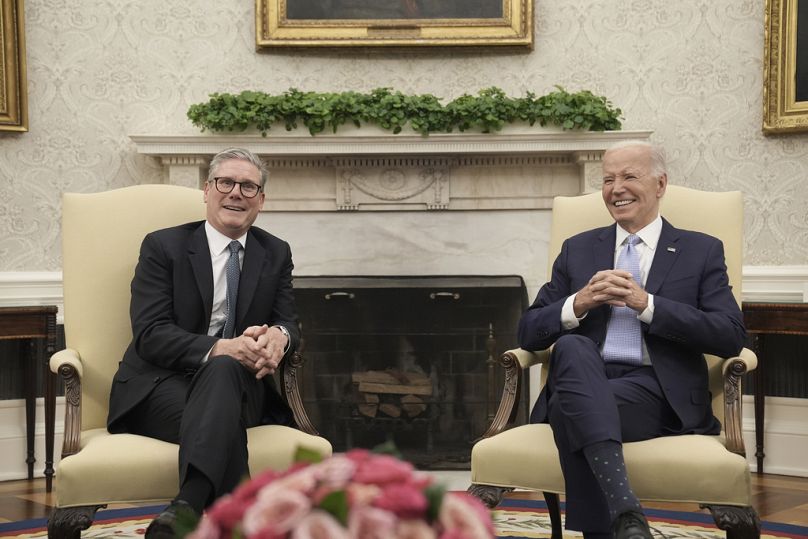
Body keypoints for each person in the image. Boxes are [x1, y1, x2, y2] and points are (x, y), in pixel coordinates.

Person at [518, 140, 746, 539]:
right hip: (582, 377)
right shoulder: (579, 249)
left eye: (628, 176)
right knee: (571, 347)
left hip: (656, 391)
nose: (616, 188)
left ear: (660, 184)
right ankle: (627, 515)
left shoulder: (700, 250)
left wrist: (648, 305)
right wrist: (579, 303)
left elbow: (729, 336)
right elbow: (528, 329)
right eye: (608, 179)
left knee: (573, 411)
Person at [106, 148, 300, 538]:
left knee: (226, 371)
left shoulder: (275, 252)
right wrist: (221, 348)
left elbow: (287, 321)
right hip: (159, 386)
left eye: (249, 186)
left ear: (261, 200)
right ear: (206, 190)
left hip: (242, 389)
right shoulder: (164, 247)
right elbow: (150, 334)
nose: (236, 193)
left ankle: (187, 507)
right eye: (226, 182)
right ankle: (233, 518)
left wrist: (281, 337)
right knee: (223, 386)